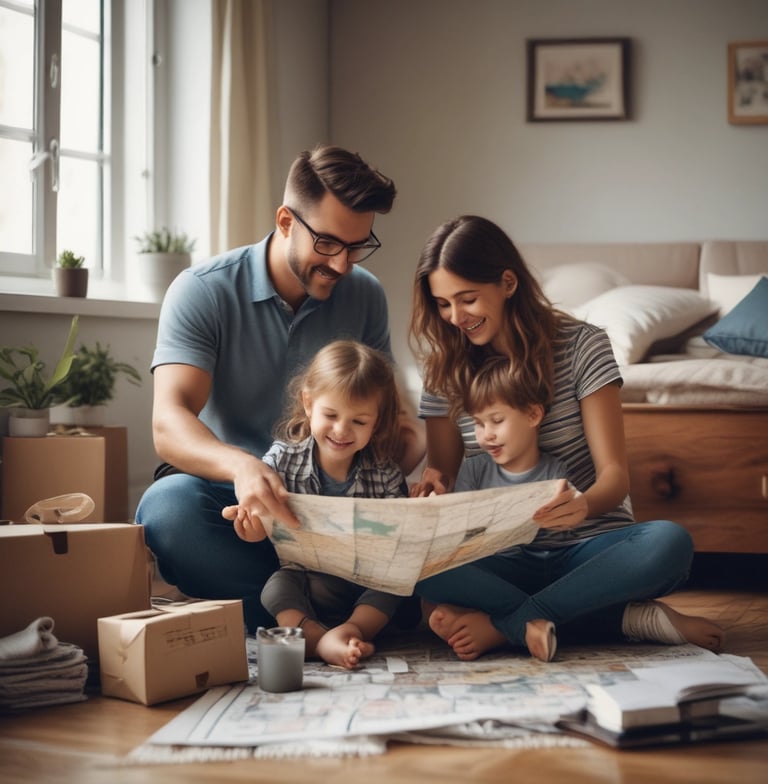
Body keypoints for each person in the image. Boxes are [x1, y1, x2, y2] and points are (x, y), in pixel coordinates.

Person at [135, 144, 424, 633]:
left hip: (332, 504)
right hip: (232, 497)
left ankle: (296, 614)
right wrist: (242, 467)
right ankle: (343, 614)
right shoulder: (202, 290)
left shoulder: (365, 294)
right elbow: (169, 422)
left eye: (358, 247)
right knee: (167, 513)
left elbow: (391, 418)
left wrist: (414, 459)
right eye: (329, 244)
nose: (343, 265)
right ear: (286, 221)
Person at [409, 215, 725, 662]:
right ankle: (617, 618)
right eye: (442, 304)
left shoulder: (583, 346)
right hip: (500, 555)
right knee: (414, 565)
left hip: (588, 549)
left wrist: (583, 506)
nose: (456, 318)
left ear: (507, 282)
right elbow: (443, 470)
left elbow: (614, 476)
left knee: (669, 544)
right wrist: (431, 488)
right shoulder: (443, 367)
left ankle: (508, 623)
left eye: (467, 299)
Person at [224, 340, 411, 669]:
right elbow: (261, 528)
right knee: (275, 587)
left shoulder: (385, 475)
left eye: (359, 421)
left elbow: (398, 546)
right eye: (331, 414)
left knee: (395, 588)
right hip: (308, 582)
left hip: (363, 585)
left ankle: (352, 630)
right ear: (308, 404)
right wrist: (250, 528)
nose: (341, 430)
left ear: (377, 422)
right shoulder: (282, 460)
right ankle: (316, 637)